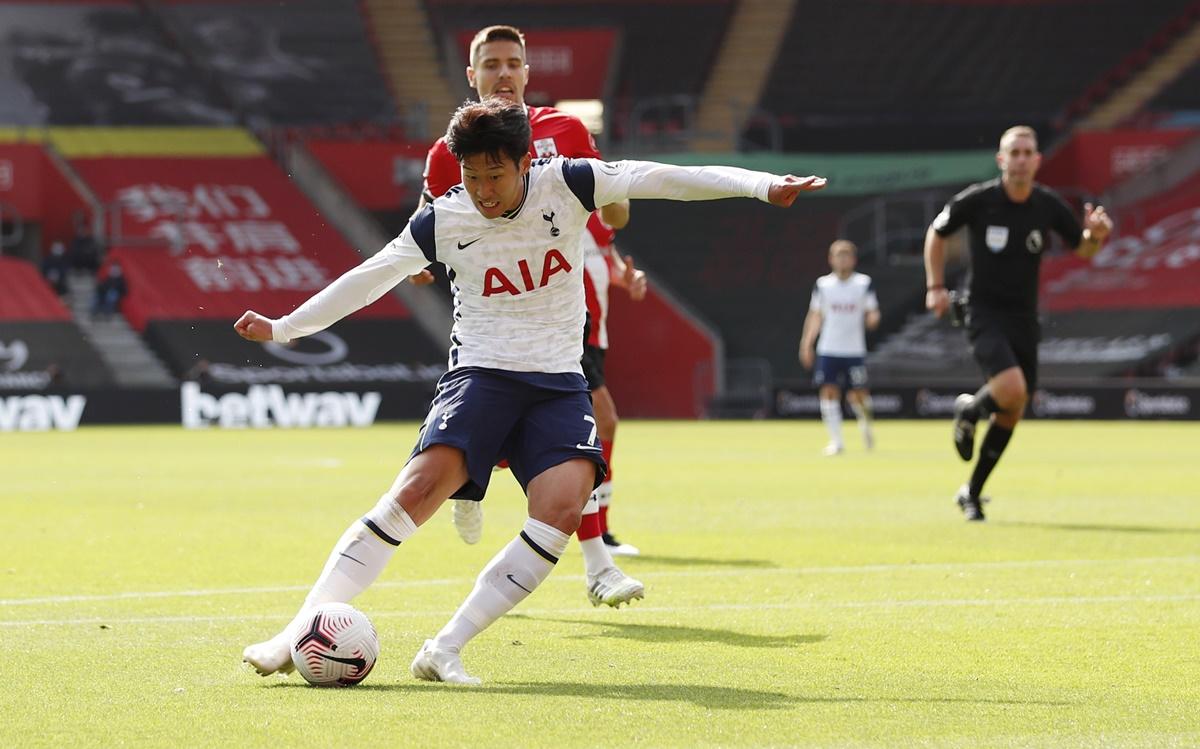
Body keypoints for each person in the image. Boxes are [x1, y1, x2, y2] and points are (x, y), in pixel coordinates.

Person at [234, 97, 826, 684]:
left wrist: (762, 186)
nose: (483, 189)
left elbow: (664, 178)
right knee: (416, 491)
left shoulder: (567, 182)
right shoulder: (444, 217)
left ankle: (446, 648)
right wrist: (285, 328)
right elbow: (368, 278)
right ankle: (294, 634)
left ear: (524, 162)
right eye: (471, 176)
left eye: (494, 174)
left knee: (563, 506)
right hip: (481, 375)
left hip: (559, 382)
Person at [416, 24, 644, 592]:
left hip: (563, 312)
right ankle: (595, 562)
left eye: (512, 63)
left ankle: (591, 559)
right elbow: (427, 226)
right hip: (494, 316)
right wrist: (421, 263)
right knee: (581, 425)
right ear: (472, 76)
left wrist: (616, 212)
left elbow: (610, 210)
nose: (502, 74)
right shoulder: (451, 149)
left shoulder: (564, 130)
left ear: (526, 72)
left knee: (576, 428)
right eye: (490, 64)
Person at [924, 125, 1111, 521]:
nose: (1022, 159)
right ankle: (970, 412)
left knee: (1012, 409)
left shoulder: (1047, 205)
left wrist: (1096, 236)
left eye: (1029, 152)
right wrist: (936, 285)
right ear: (1001, 159)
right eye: (1015, 152)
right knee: (1012, 387)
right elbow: (936, 234)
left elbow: (1084, 249)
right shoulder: (978, 200)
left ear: (1038, 160)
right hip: (982, 310)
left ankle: (971, 493)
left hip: (1024, 316)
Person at [580, 214, 646, 555]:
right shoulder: (554, 212)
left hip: (595, 337)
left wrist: (628, 278)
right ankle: (599, 535)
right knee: (605, 422)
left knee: (588, 430)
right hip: (570, 331)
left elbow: (610, 263)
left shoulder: (596, 221)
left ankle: (489, 459)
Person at [799, 239, 880, 456]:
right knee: (828, 391)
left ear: (853, 259)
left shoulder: (863, 283)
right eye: (838, 255)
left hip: (854, 350)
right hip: (828, 348)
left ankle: (865, 425)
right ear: (831, 259)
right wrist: (807, 344)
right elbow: (815, 315)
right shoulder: (823, 285)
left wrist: (873, 317)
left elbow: (872, 310)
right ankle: (836, 441)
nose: (842, 259)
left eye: (846, 255)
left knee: (859, 395)